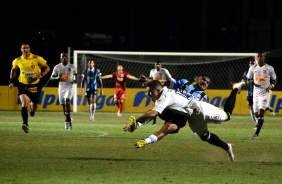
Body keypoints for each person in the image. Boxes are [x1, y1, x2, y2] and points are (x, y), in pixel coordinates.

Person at [124, 80, 246, 161]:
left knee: (227, 116)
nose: (149, 95)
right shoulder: (165, 95)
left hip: (201, 108)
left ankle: (235, 88)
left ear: (158, 91)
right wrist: (136, 124)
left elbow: (152, 113)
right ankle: (227, 146)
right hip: (192, 117)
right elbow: (153, 112)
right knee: (204, 136)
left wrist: (135, 121)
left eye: (150, 92)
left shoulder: (166, 96)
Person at [8, 42, 50, 133]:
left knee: (34, 105)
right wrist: (11, 81)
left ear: (29, 49)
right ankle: (25, 124)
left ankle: (32, 109)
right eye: (23, 48)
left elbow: (47, 68)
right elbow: (13, 70)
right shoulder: (17, 60)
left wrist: (41, 74)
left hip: (35, 85)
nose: (25, 50)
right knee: (24, 102)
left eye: (27, 48)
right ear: (21, 50)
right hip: (23, 85)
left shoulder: (37, 58)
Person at [246, 52, 277, 140]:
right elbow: (248, 80)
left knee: (260, 113)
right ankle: (267, 107)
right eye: (257, 56)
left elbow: (274, 80)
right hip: (256, 93)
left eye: (261, 56)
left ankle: (256, 135)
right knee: (256, 114)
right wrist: (248, 82)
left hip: (265, 92)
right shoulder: (252, 68)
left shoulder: (269, 68)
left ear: (264, 57)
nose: (259, 58)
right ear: (256, 58)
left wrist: (272, 85)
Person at [242, 59, 275, 129]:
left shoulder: (259, 71)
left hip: (258, 92)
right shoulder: (246, 73)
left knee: (257, 109)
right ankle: (256, 122)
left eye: (253, 63)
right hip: (249, 92)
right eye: (250, 63)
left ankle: (258, 122)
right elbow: (244, 81)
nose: (251, 64)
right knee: (251, 108)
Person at [50, 52, 77, 130]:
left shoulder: (72, 66)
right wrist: (57, 78)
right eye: (62, 57)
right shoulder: (57, 67)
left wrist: (75, 80)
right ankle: (68, 118)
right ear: (60, 58)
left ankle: (67, 121)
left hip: (70, 86)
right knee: (63, 104)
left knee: (67, 100)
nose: (64, 58)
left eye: (65, 56)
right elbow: (52, 78)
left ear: (67, 57)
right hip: (61, 87)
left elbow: (75, 76)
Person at [148, 60, 173, 126]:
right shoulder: (152, 71)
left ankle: (169, 120)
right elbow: (150, 80)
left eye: (159, 64)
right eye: (156, 64)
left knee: (166, 107)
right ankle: (154, 122)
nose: (157, 65)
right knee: (155, 106)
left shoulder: (164, 71)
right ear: (155, 65)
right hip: (155, 91)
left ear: (161, 65)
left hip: (163, 91)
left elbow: (170, 80)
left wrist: (160, 81)